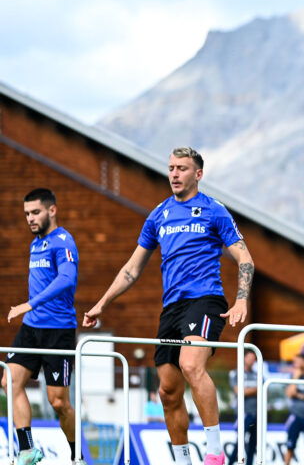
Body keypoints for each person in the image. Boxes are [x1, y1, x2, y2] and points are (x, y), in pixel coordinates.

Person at [83, 147, 254, 465]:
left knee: (191, 365)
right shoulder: (158, 215)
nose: (174, 174)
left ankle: (216, 452)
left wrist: (242, 297)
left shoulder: (214, 211)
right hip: (171, 309)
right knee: (167, 391)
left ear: (198, 174)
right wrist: (102, 304)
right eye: (171, 167)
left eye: (182, 168)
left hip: (205, 301)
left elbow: (245, 257)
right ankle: (183, 460)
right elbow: (131, 269)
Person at [1, 189, 79, 465]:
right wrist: (30, 311)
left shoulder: (63, 241)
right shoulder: (35, 244)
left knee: (59, 403)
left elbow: (67, 279)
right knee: (10, 380)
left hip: (58, 332)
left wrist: (30, 304)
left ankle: (77, 455)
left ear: (52, 210)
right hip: (30, 329)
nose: (30, 219)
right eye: (26, 214)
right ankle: (27, 449)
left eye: (35, 212)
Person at [228, 349, 259, 465]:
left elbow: (264, 390)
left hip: (256, 413)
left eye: (254, 358)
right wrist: (256, 389)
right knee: (240, 443)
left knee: (253, 445)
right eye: (250, 357)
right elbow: (239, 392)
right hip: (244, 414)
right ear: (244, 358)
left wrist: (248, 390)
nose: (252, 360)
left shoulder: (257, 374)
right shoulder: (236, 373)